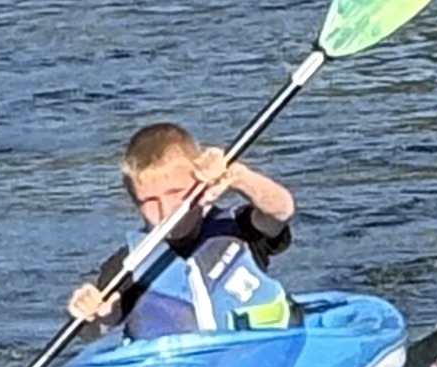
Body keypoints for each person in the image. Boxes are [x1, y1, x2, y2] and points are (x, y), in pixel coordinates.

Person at [65, 123, 299, 341]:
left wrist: (237, 176)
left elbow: (281, 210)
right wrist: (89, 311)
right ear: (135, 202)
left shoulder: (240, 227)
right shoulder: (127, 266)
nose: (165, 210)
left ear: (201, 184)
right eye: (149, 200)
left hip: (262, 352)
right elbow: (96, 328)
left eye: (176, 192)